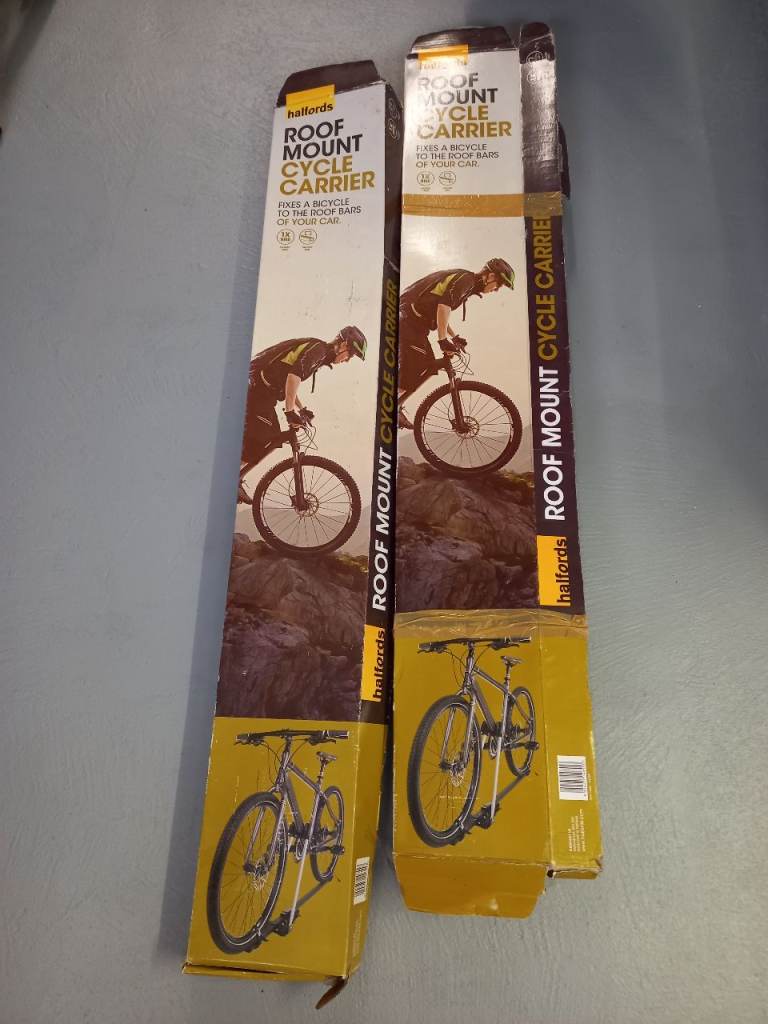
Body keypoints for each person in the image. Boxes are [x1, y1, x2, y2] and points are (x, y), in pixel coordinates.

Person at [238, 325, 367, 502]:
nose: (347, 360)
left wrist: (301, 408)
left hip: (263, 393)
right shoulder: (319, 350)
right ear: (344, 344)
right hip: (256, 389)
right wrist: (289, 411)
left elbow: (290, 382)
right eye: (350, 354)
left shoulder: (320, 354)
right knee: (261, 436)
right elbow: (293, 377)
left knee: (269, 437)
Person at [397, 258, 514, 428]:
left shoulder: (467, 283)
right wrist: (442, 340)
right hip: (408, 319)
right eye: (499, 285)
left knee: (427, 364)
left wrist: (454, 336)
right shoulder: (466, 280)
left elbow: (441, 312)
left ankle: (397, 403)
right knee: (416, 364)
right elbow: (443, 306)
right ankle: (390, 405)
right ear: (490, 276)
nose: (496, 290)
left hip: (414, 323)